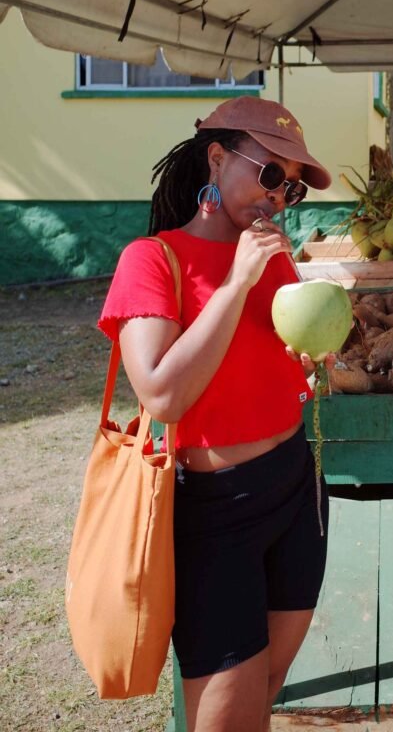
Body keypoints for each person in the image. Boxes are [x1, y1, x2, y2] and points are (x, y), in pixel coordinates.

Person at [98, 96, 334, 732]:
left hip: (296, 488)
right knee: (226, 713)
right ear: (217, 156)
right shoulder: (151, 258)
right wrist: (234, 283)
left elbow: (272, 358)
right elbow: (163, 395)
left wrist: (313, 358)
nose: (279, 196)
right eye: (269, 174)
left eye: (291, 188)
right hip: (214, 511)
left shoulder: (275, 258)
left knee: (266, 687)